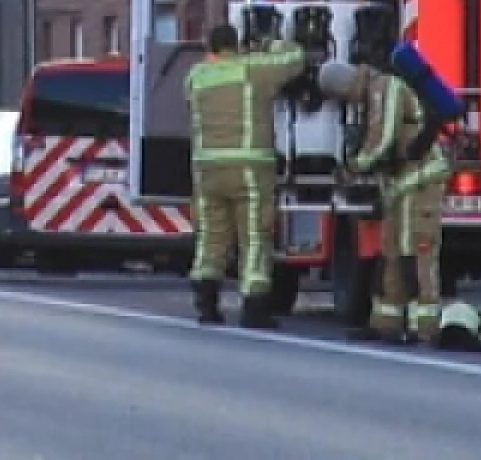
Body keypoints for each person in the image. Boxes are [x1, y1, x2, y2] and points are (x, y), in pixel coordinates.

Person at [318, 58, 452, 346]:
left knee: (414, 252)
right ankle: (386, 323)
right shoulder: (372, 94)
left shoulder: (385, 88)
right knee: (390, 253)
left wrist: (353, 168)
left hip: (420, 181)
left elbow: (383, 139)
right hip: (400, 187)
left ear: (346, 85)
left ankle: (423, 327)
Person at [183, 22, 308, 328]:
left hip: (207, 168)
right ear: (236, 45)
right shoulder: (252, 69)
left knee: (211, 236)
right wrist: (274, 42)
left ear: (209, 47)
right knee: (254, 236)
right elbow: (295, 60)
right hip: (249, 167)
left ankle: (207, 306)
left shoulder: (195, 77)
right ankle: (254, 309)